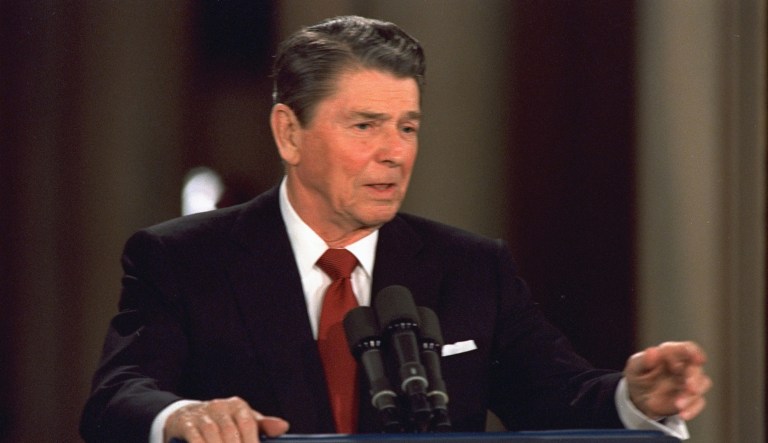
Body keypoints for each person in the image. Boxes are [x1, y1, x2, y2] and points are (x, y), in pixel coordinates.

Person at [79, 15, 711, 443]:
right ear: (288, 133)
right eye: (366, 125)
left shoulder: (470, 268)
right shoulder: (184, 258)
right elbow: (116, 397)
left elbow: (560, 396)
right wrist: (185, 416)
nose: (396, 152)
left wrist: (637, 399)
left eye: (407, 126)